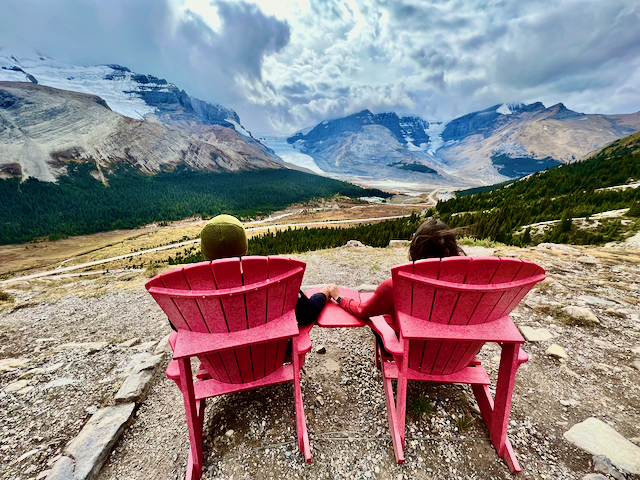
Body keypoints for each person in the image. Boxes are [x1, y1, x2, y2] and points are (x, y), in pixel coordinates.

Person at [200, 214, 329, 325]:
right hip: (272, 352)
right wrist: (324, 293)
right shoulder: (269, 278)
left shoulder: (191, 290)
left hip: (218, 354)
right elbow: (307, 314)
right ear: (244, 247)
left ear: (204, 251)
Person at [325, 219, 465, 320]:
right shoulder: (472, 288)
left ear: (415, 250)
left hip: (411, 353)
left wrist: (339, 298)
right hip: (459, 355)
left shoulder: (395, 287)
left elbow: (362, 311)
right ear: (454, 249)